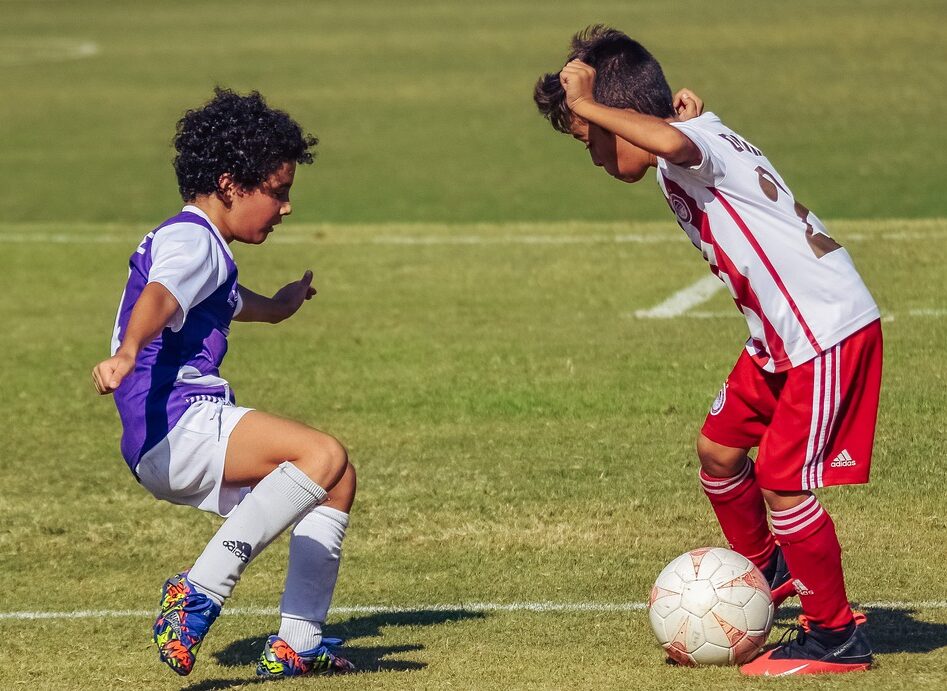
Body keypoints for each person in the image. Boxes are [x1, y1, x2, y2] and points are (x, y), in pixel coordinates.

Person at [534, 26, 881, 676]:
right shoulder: (691, 142)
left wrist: (588, 104)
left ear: (625, 118)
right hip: (778, 337)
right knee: (718, 450)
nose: (595, 156)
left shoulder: (685, 144)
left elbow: (666, 141)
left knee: (782, 483)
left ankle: (833, 636)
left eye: (590, 140)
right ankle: (771, 572)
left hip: (820, 330)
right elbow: (671, 142)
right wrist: (651, 122)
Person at [92, 88, 356, 679]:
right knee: (322, 454)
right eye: (278, 192)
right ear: (232, 183)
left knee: (336, 480)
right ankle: (199, 592)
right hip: (176, 423)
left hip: (167, 433)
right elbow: (161, 296)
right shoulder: (192, 241)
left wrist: (281, 306)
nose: (286, 207)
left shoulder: (206, 248)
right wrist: (128, 352)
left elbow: (228, 302)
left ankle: (297, 642)